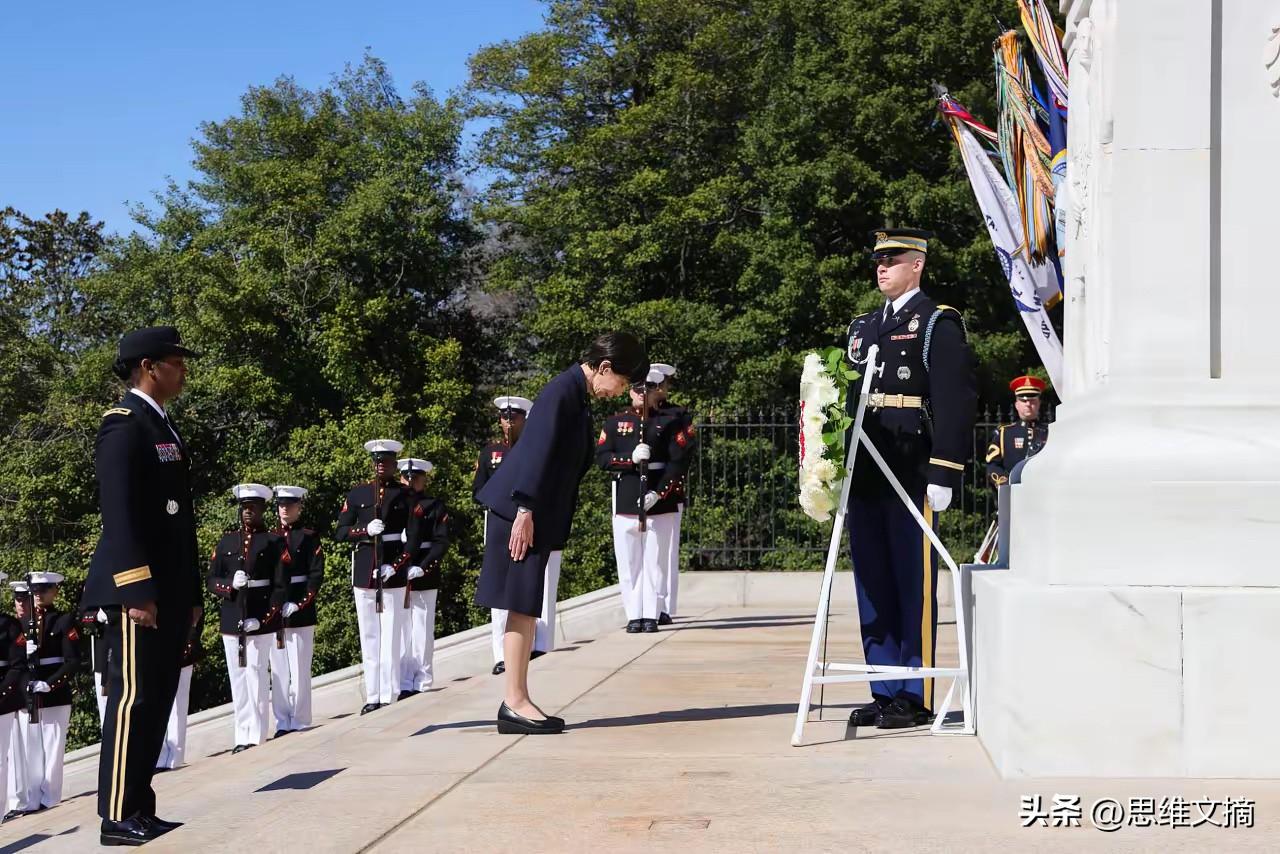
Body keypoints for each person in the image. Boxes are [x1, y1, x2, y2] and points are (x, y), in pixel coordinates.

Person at [476, 332, 648, 734]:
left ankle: (517, 698)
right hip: (521, 511)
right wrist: (524, 508)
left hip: (530, 510)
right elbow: (536, 451)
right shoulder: (562, 391)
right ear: (604, 368)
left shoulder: (575, 391)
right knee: (520, 602)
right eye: (621, 383)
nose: (619, 392)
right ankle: (514, 702)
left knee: (525, 603)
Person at [843, 229, 976, 730]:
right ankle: (883, 687)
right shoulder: (863, 326)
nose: (882, 267)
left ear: (917, 264)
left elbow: (955, 399)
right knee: (873, 582)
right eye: (878, 260)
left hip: (910, 466)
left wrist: (945, 467)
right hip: (867, 468)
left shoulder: (936, 323)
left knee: (911, 582)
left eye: (892, 259)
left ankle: (913, 694)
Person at [82, 325, 202, 845]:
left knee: (157, 700)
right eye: (177, 361)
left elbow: (178, 522)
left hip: (169, 587)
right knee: (133, 700)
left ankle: (140, 806)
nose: (184, 371)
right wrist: (135, 590)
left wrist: (191, 593)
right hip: (139, 591)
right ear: (149, 367)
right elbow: (121, 515)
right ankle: (116, 815)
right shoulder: (124, 425)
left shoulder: (161, 424)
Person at [597, 368, 687, 632]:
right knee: (629, 562)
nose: (640, 393)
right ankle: (633, 614)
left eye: (646, 388)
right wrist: (629, 460)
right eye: (636, 388)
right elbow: (602, 457)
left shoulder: (669, 422)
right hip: (626, 496)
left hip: (659, 497)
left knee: (655, 560)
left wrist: (658, 493)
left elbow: (678, 461)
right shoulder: (615, 423)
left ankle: (651, 613)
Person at [206, 484, 288, 754]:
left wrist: (264, 620)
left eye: (253, 507)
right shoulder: (227, 541)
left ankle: (257, 732)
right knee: (238, 678)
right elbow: (211, 580)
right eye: (244, 507)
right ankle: (242, 733)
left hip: (259, 616)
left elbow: (280, 586)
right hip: (232, 617)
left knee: (256, 675)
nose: (247, 512)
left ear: (263, 509)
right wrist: (229, 585)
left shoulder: (274, 542)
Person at [335, 440, 414, 715]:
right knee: (369, 635)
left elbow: (413, 537)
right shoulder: (357, 495)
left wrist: (397, 564)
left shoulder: (405, 494)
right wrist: (364, 530)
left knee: (391, 635)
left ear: (394, 464)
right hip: (365, 568)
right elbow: (341, 532)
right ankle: (373, 694)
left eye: (387, 460)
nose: (382, 464)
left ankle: (390, 691)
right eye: (377, 460)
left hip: (391, 569)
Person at [471, 396, 537, 676]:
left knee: (523, 586)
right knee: (498, 587)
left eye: (515, 417)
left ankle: (527, 647)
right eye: (505, 417)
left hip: (525, 520)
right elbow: (478, 491)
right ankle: (501, 655)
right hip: (499, 522)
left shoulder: (532, 448)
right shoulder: (490, 453)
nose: (509, 422)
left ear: (524, 419)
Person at [8, 573, 79, 818]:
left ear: (55, 591)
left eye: (44, 589)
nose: (38, 594)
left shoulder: (63, 620)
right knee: (31, 750)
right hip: (29, 691)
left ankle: (50, 796)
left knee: (53, 745)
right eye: (35, 590)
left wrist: (50, 684)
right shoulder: (21, 625)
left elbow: (72, 661)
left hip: (53, 692)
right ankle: (31, 798)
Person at [270, 485, 323, 737]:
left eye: (289, 505)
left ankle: (300, 718)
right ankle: (282, 720)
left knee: (300, 667)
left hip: (300, 609)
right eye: (281, 504)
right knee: (279, 670)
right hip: (274, 611)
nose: (284, 509)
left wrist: (301, 602)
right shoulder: (269, 536)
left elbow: (315, 575)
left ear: (298, 507)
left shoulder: (309, 536)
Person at [397, 459, 450, 699]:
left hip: (424, 571)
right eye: (407, 477)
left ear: (423, 479)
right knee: (401, 631)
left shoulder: (434, 505)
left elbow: (441, 541)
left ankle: (423, 678)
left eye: (415, 478)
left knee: (422, 628)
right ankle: (404, 680)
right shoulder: (394, 505)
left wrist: (423, 567)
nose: (411, 481)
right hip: (398, 574)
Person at [649, 363, 696, 624]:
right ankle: (648, 604)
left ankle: (664, 604)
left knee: (667, 551)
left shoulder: (678, 414)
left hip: (668, 491)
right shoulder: (638, 414)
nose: (661, 388)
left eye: (662, 382)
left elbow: (683, 452)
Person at [155, 609, 202, 771]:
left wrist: (189, 643)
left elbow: (195, 612)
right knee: (157, 706)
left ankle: (175, 755)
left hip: (180, 647)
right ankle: (160, 757)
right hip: (156, 648)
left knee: (177, 705)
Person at [986, 375, 1050, 488]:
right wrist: (1007, 484)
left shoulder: (1050, 432)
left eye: (1032, 400)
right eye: (1024, 400)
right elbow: (992, 465)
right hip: (1013, 494)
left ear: (1039, 403)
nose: (1028, 404)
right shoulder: (1004, 433)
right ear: (1017, 405)